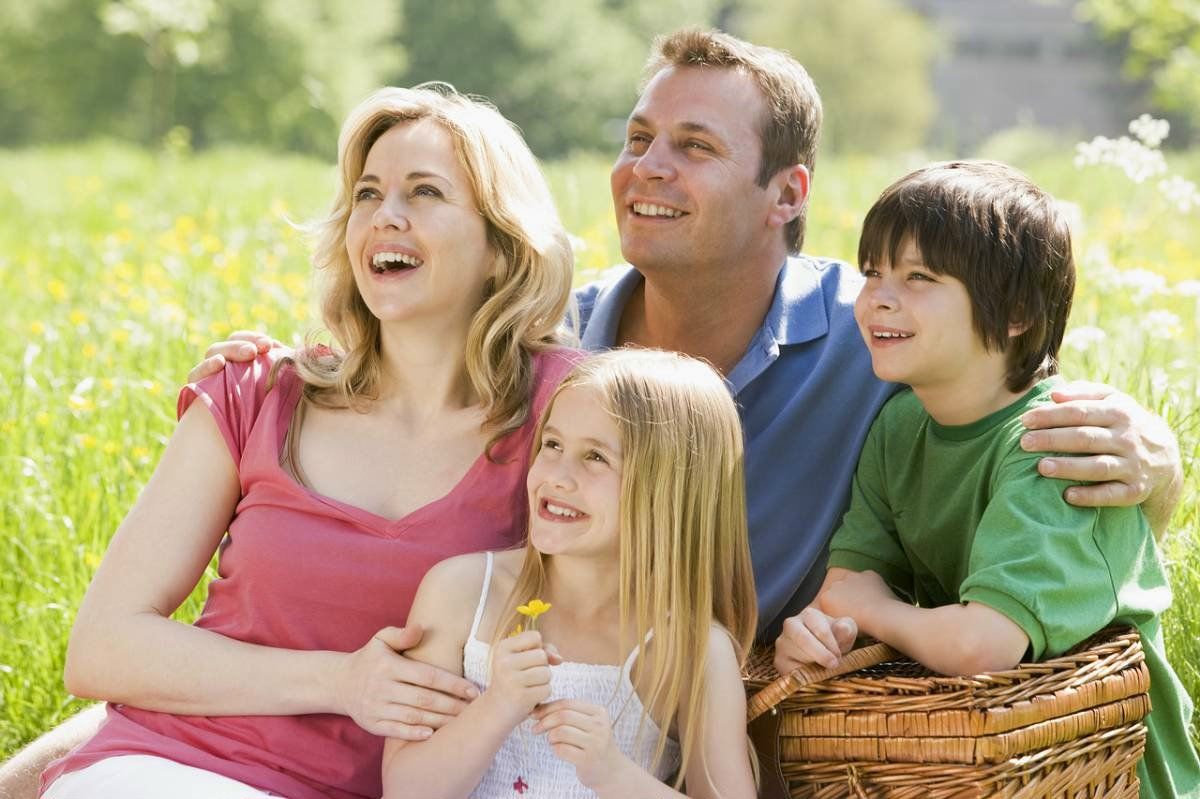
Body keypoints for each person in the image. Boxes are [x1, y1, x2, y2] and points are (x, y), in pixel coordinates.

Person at [1, 26, 1184, 796]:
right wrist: (115, 724)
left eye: (692, 145)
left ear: (789, 194)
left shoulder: (866, 341)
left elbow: (1000, 404)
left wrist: (1163, 467)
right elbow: (391, 369)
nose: (645, 168)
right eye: (634, 138)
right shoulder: (561, 362)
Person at [34, 84, 579, 799]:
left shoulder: (566, 412)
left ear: (502, 251)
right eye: (367, 193)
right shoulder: (256, 392)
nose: (387, 216)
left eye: (425, 193)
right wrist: (342, 680)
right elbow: (103, 646)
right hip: (171, 767)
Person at [775, 160, 1200, 799]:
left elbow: (981, 645)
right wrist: (819, 636)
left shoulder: (1053, 443)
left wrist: (875, 609)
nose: (879, 297)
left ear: (1016, 314)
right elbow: (845, 593)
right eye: (873, 272)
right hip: (994, 761)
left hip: (1103, 772)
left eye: (919, 277)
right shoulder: (899, 427)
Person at [381, 349, 757, 799]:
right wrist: (497, 708)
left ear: (669, 493)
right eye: (553, 444)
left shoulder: (692, 649)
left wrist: (614, 774)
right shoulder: (462, 593)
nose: (557, 475)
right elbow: (404, 790)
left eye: (596, 457)